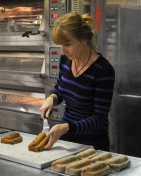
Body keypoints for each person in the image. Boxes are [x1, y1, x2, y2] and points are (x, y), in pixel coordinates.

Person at [40, 12, 115, 151]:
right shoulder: (65, 61)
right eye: (60, 45)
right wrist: (52, 98)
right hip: (67, 139)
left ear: (84, 39)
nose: (63, 52)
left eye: (67, 44)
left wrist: (67, 127)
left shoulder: (103, 70)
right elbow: (59, 90)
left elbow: (100, 119)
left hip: (93, 144)